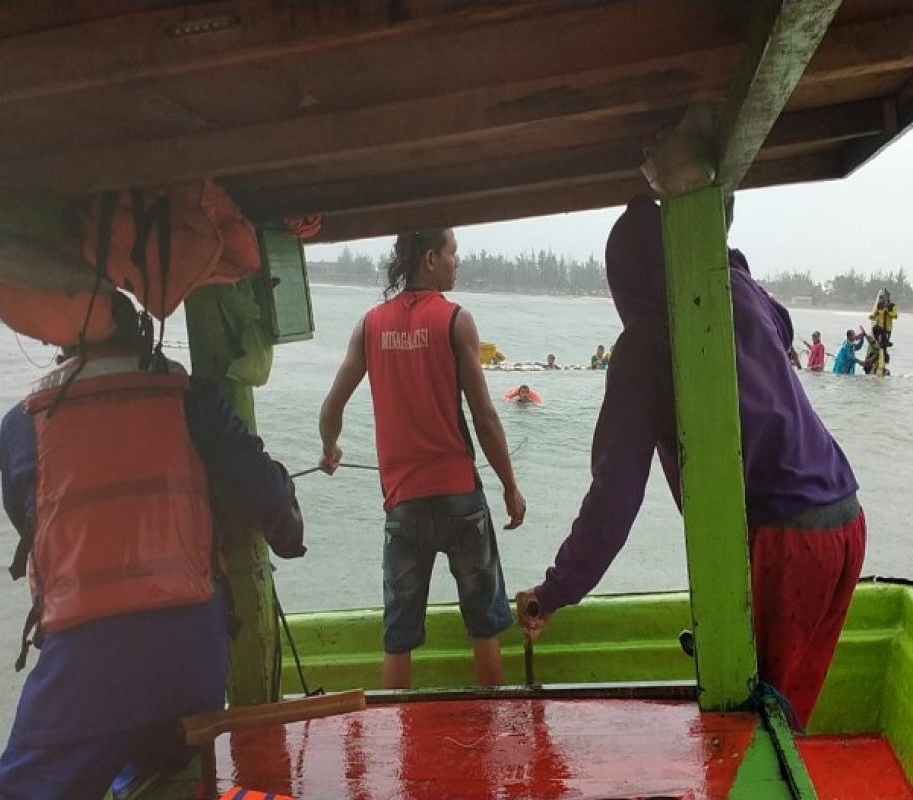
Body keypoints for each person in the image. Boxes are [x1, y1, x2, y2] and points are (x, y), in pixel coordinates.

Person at [515, 197, 864, 729]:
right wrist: (727, 268)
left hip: (786, 542)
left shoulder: (646, 346)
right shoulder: (736, 288)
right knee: (785, 718)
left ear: (623, 283)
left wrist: (555, 591)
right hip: (844, 520)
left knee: (754, 728)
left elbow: (614, 496)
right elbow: (785, 327)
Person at [0, 292, 304, 800]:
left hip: (84, 667)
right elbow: (270, 501)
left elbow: (27, 518)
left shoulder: (23, 423)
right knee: (162, 767)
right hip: (191, 659)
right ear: (142, 336)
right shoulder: (192, 398)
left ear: (63, 347)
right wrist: (288, 522)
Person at [318, 228, 526, 690]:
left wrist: (329, 449)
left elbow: (331, 407)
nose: (458, 261)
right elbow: (485, 416)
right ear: (430, 258)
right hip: (459, 499)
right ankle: (490, 726)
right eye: (453, 253)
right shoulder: (455, 321)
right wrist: (509, 485)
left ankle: (398, 742)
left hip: (403, 505)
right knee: (484, 626)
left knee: (398, 637)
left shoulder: (370, 325)